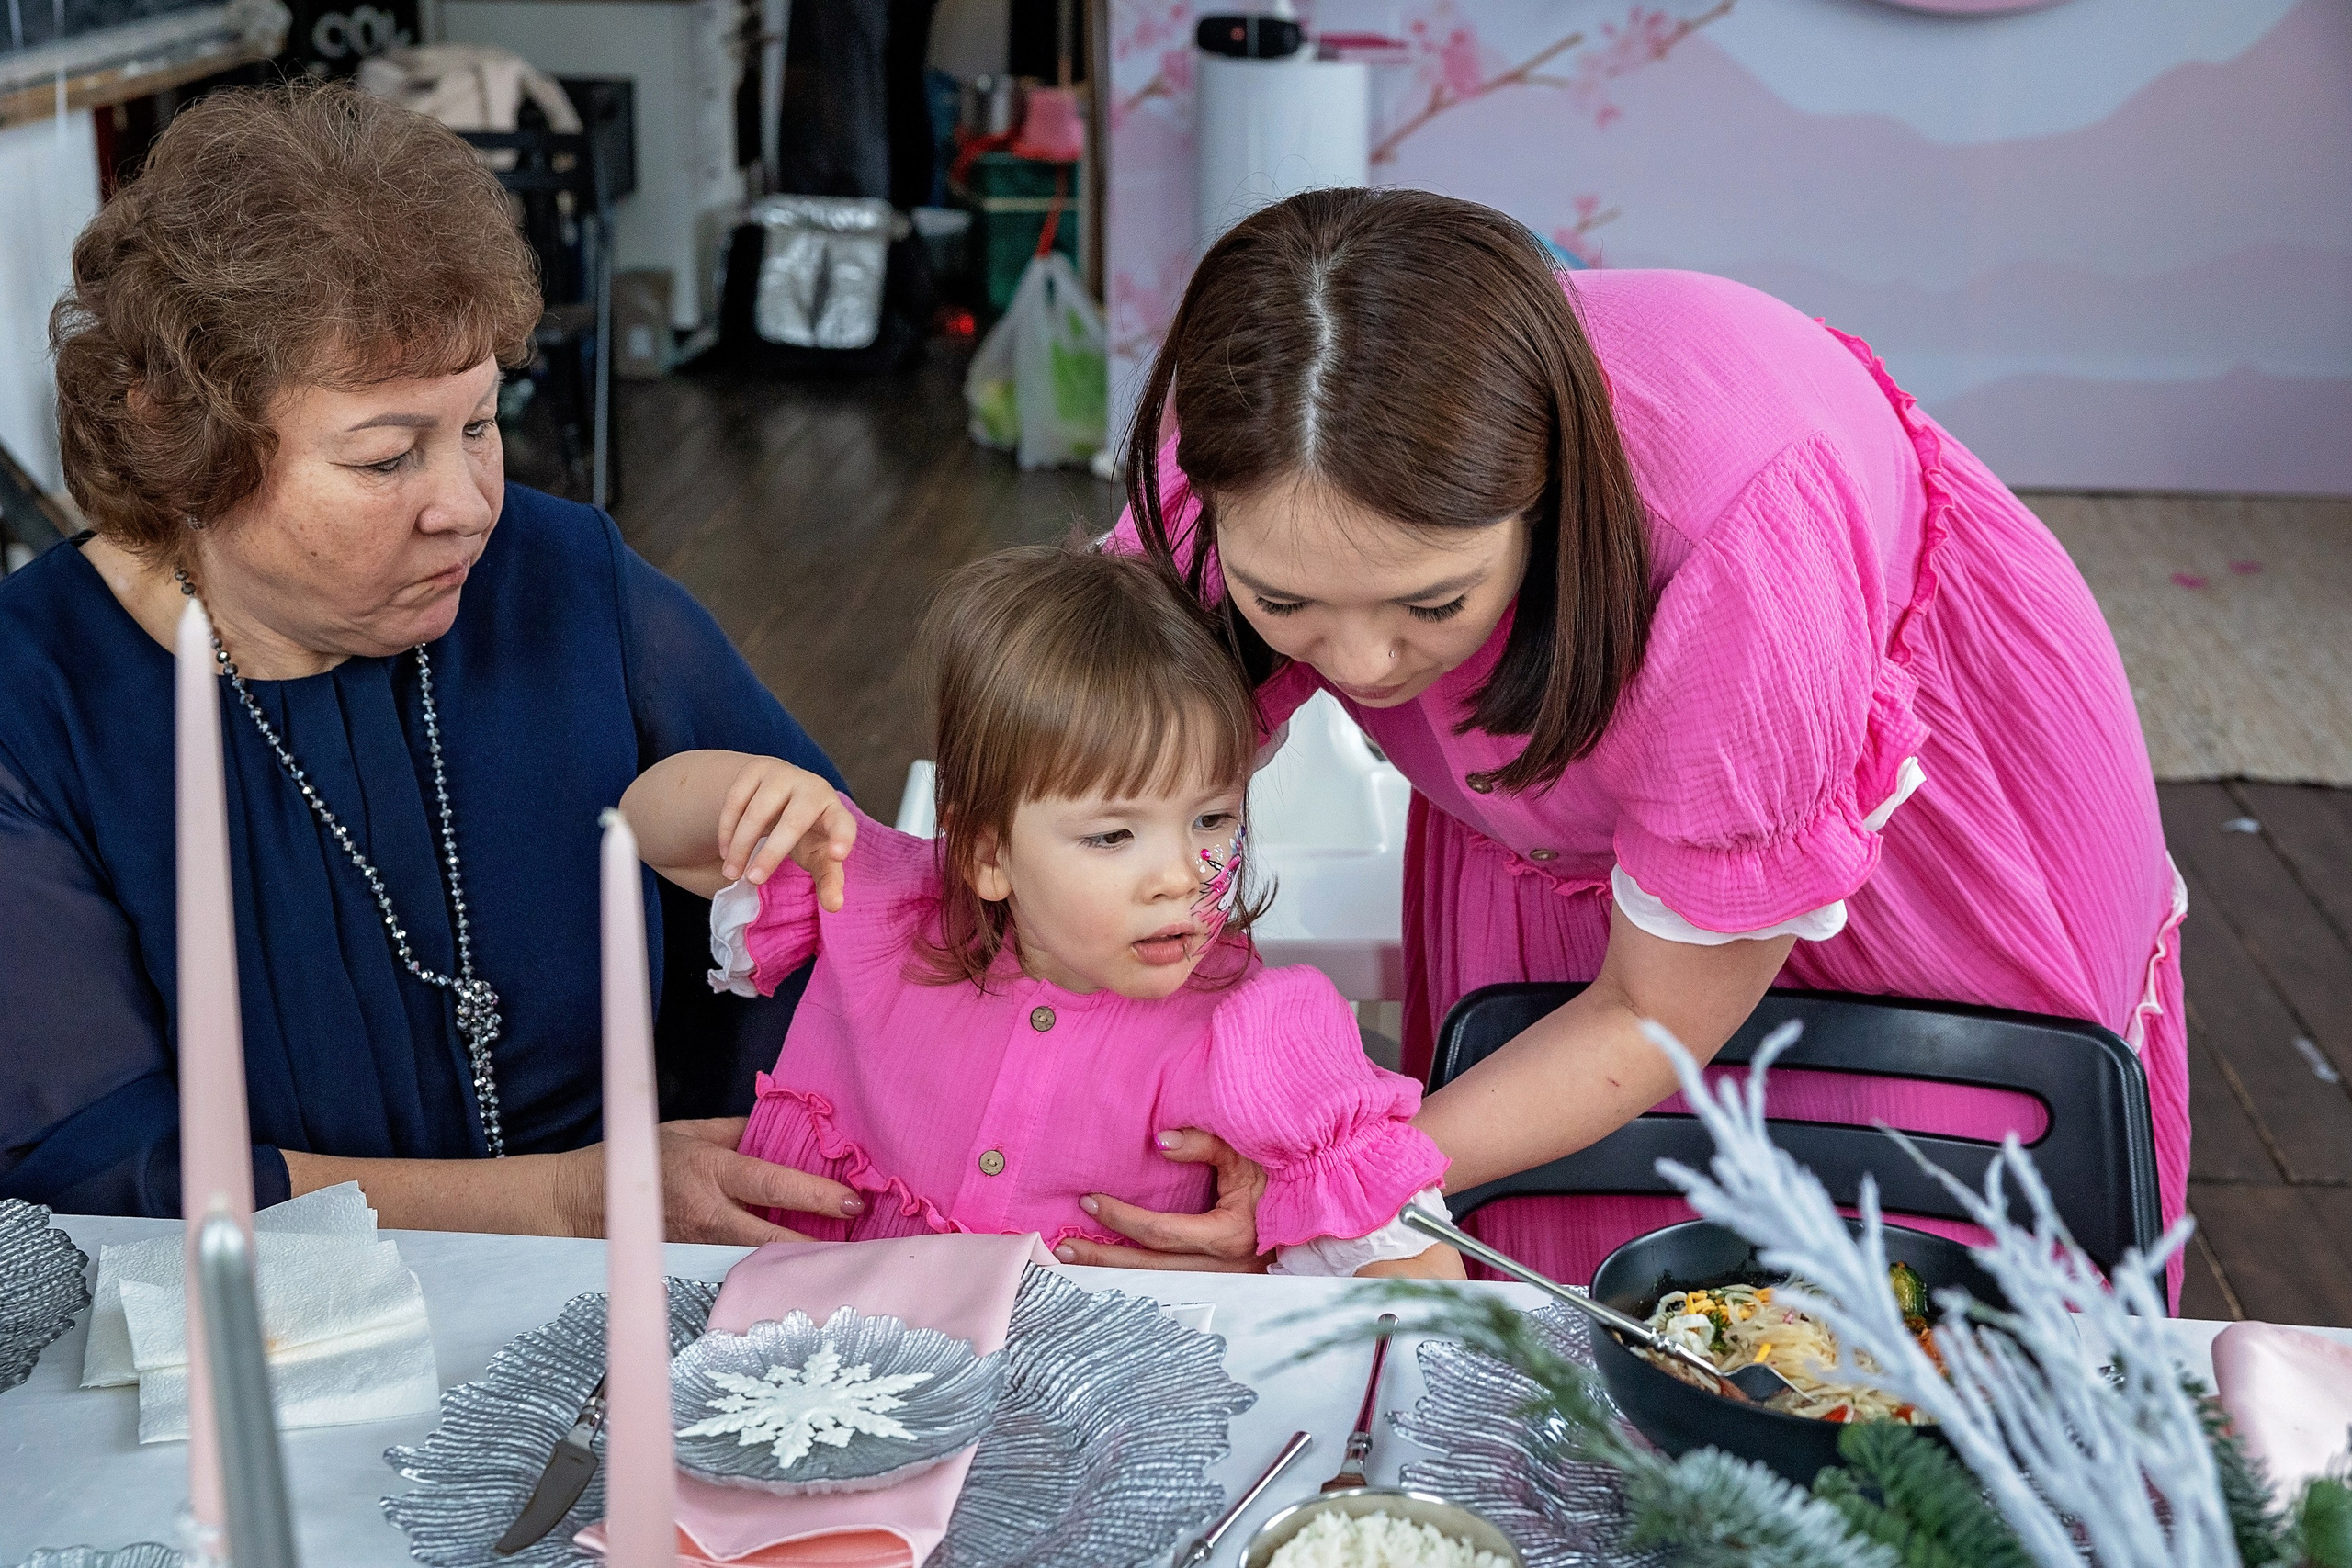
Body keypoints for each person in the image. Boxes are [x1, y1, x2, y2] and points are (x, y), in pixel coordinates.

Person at [1082, 187, 2188, 1303]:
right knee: (1567, 1225)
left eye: (1430, 605)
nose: (1362, 669)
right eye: (1287, 603)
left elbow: (1649, 1011)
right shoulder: (1268, 435)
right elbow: (1098, 786)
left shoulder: (1740, 563)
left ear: (1537, 504)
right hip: (1591, 743)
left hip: (1875, 752)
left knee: (1919, 1213)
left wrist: (1333, 1179)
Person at [0, 82, 865, 1243]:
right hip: (256, 1357)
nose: (465, 508)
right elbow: (99, 1166)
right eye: (384, 458)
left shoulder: (566, 582)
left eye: (477, 423)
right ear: (180, 442)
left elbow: (862, 927)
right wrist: (564, 1201)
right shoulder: (38, 696)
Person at [622, 545, 1464, 1277]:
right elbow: (650, 829)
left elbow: (1403, 1235)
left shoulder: (1253, 1023)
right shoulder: (877, 899)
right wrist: (748, 793)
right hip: (822, 1370)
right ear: (987, 854)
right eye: (1111, 836)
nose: (1181, 875)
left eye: (1211, 818)